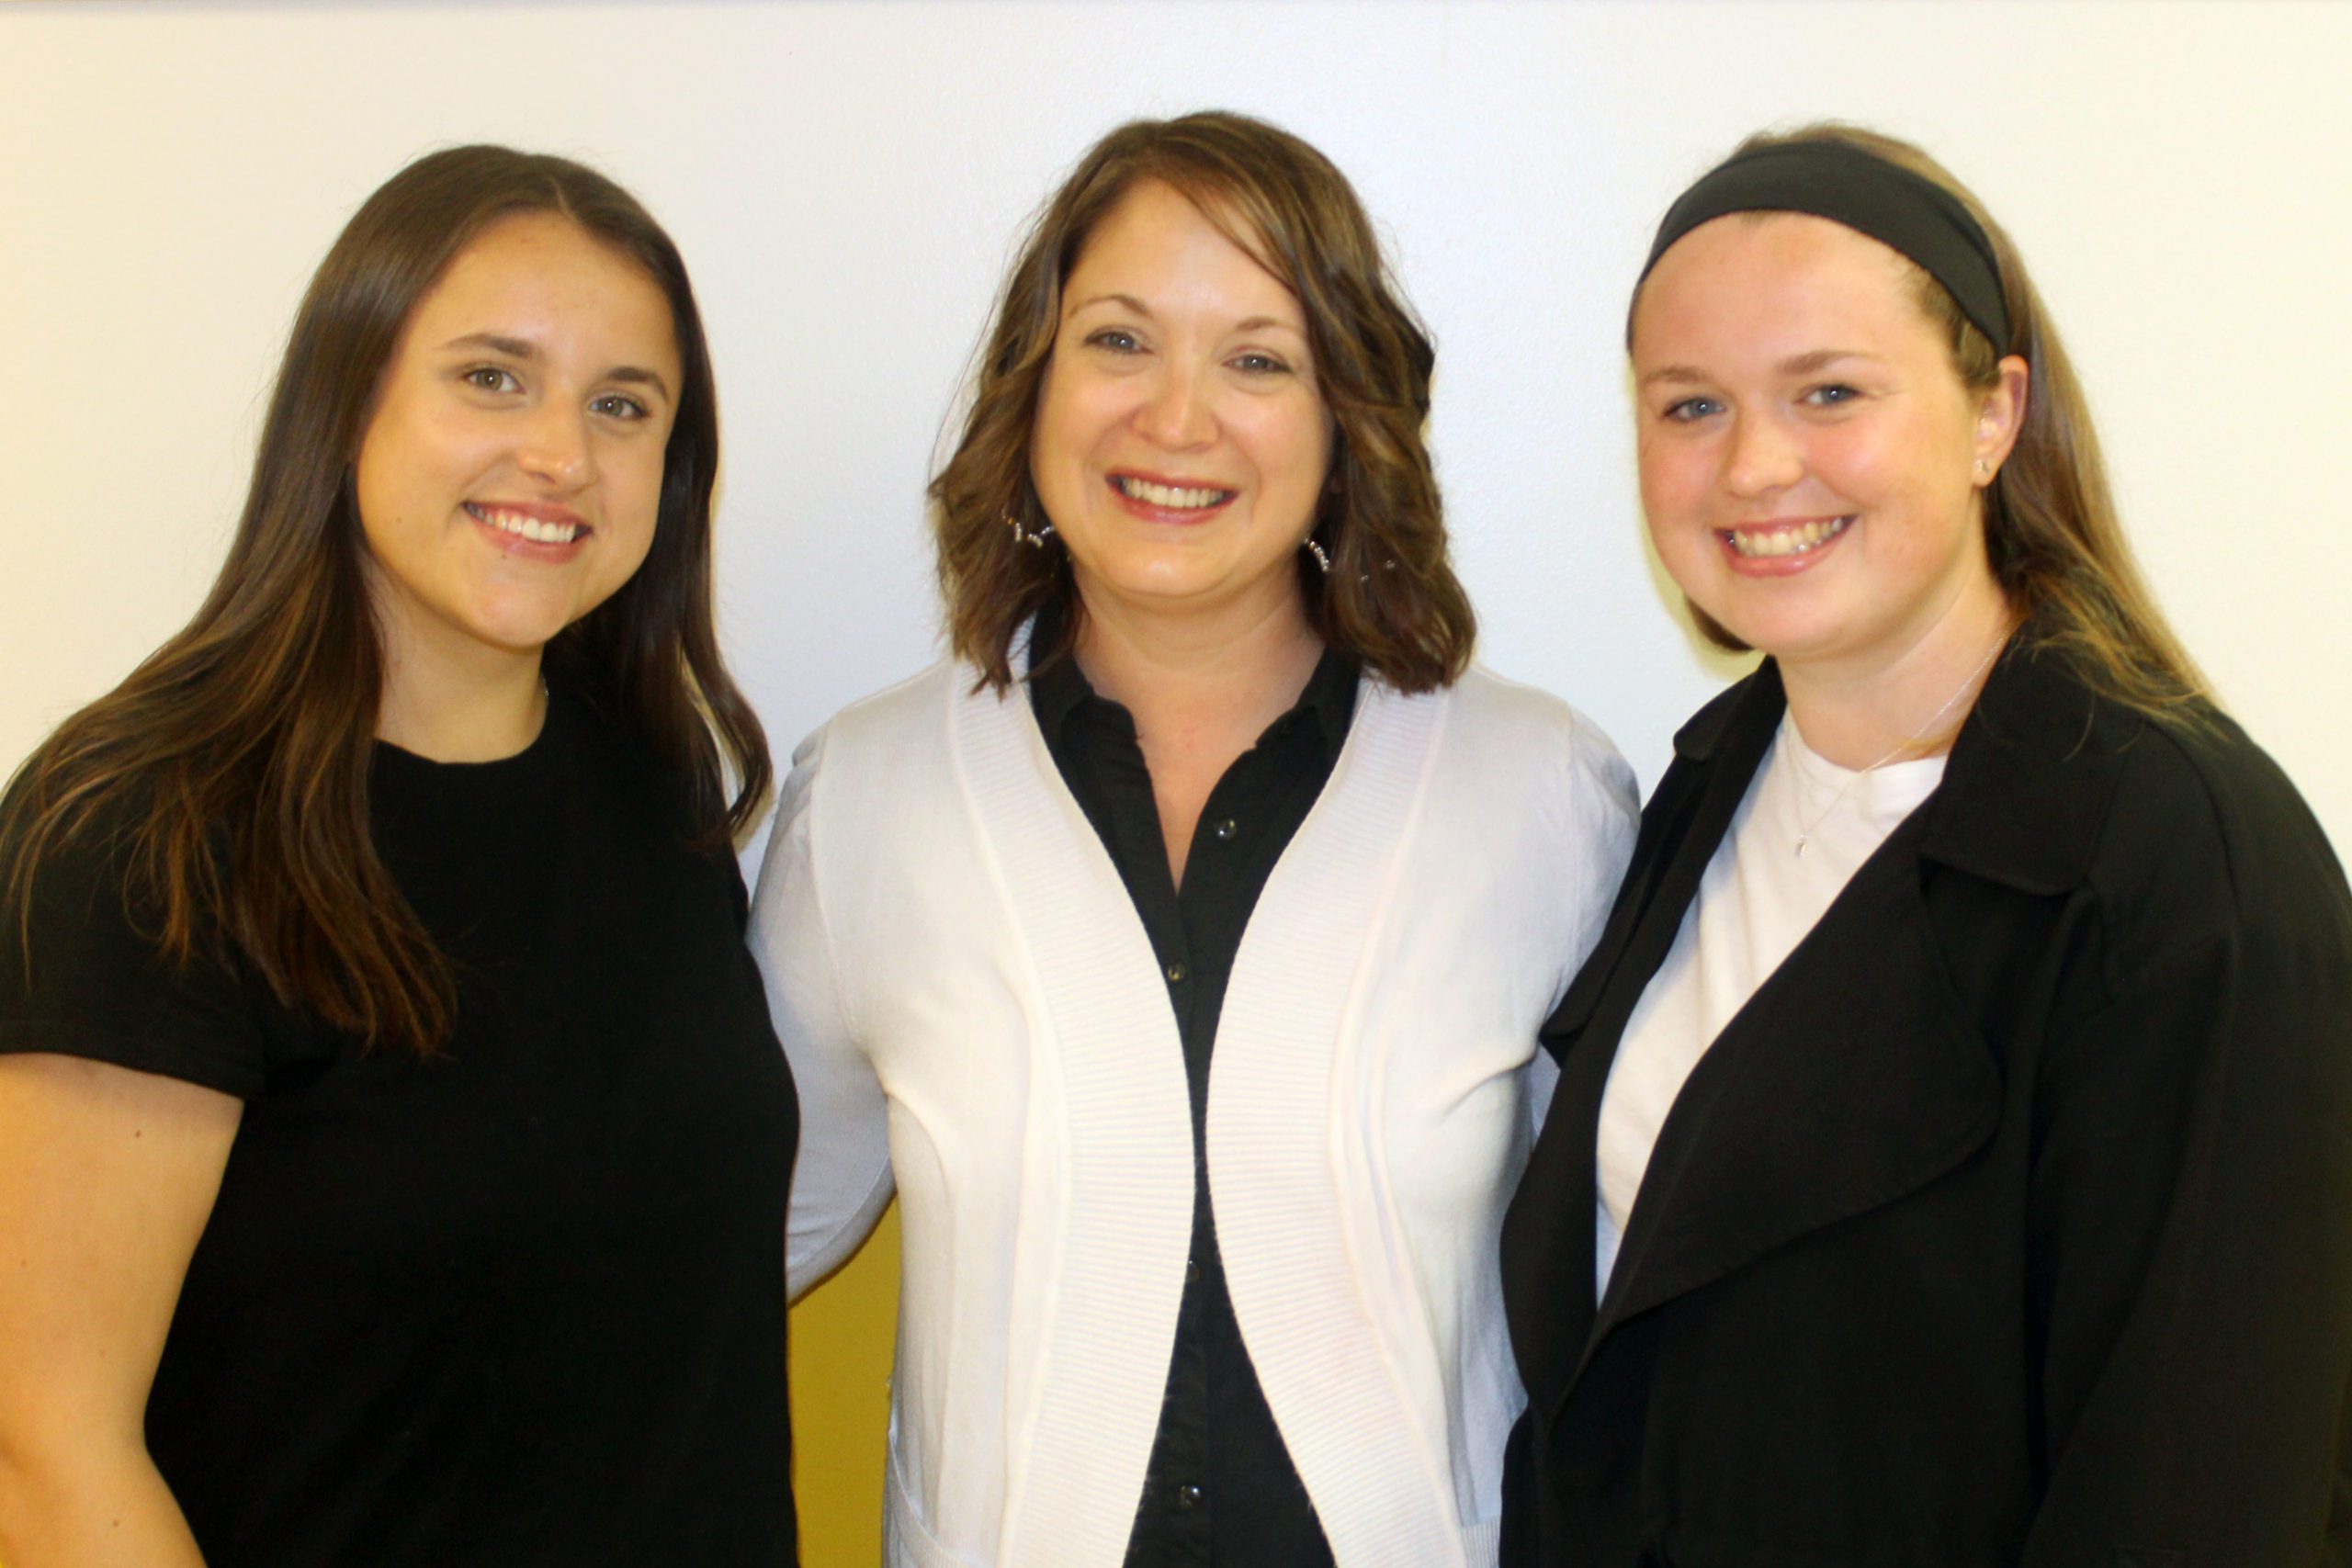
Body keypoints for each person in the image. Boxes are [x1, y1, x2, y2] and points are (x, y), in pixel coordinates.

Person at [752, 110, 1635, 1568]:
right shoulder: (872, 800)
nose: (1176, 419)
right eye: (1116, 341)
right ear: (1028, 390)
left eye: (1258, 359)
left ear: (1348, 420)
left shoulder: (1540, 795)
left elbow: (1641, 1253)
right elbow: (734, 1227)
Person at [1498, 125, 2352, 1566]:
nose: (1756, 465)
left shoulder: (2177, 870)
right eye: (1690, 405)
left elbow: (2206, 1498)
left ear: (1992, 415)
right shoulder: (1709, 787)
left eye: (1829, 391)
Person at [0, 146, 797, 1566]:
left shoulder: (652, 775)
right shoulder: (149, 826)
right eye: (493, 378)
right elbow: (47, 1446)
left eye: (625, 405)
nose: (562, 454)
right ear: (347, 395)